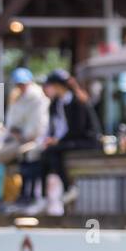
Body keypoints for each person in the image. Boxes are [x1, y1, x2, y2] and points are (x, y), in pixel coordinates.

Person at [39, 68, 101, 216]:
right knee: (46, 154)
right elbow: (56, 126)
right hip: (67, 140)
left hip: (86, 140)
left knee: (54, 150)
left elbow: (78, 129)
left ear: (58, 85)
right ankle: (44, 196)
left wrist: (58, 141)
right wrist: (52, 139)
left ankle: (68, 189)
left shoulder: (78, 100)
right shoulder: (55, 103)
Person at [5, 67, 49, 207]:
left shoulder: (37, 97)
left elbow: (38, 124)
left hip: (36, 139)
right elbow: (13, 121)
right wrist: (15, 132)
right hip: (20, 139)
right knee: (21, 160)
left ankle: (32, 195)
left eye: (23, 83)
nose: (21, 86)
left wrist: (26, 136)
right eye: (19, 84)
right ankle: (23, 194)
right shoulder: (17, 98)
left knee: (29, 155)